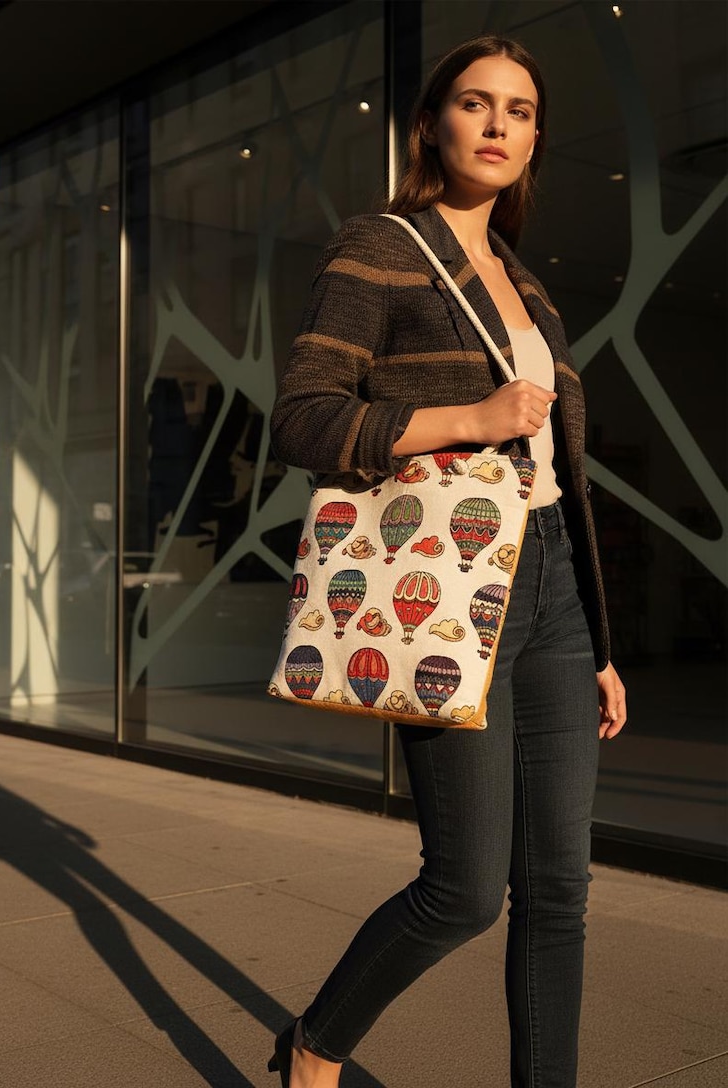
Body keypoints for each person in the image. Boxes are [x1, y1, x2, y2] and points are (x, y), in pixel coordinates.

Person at [267, 34, 627, 1088]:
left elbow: (563, 477)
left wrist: (600, 642)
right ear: (430, 123)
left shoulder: (528, 287)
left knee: (557, 885)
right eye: (475, 103)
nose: (497, 124)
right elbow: (302, 417)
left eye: (518, 110)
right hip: (451, 580)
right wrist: (465, 414)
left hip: (553, 583)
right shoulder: (379, 244)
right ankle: (314, 1042)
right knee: (465, 886)